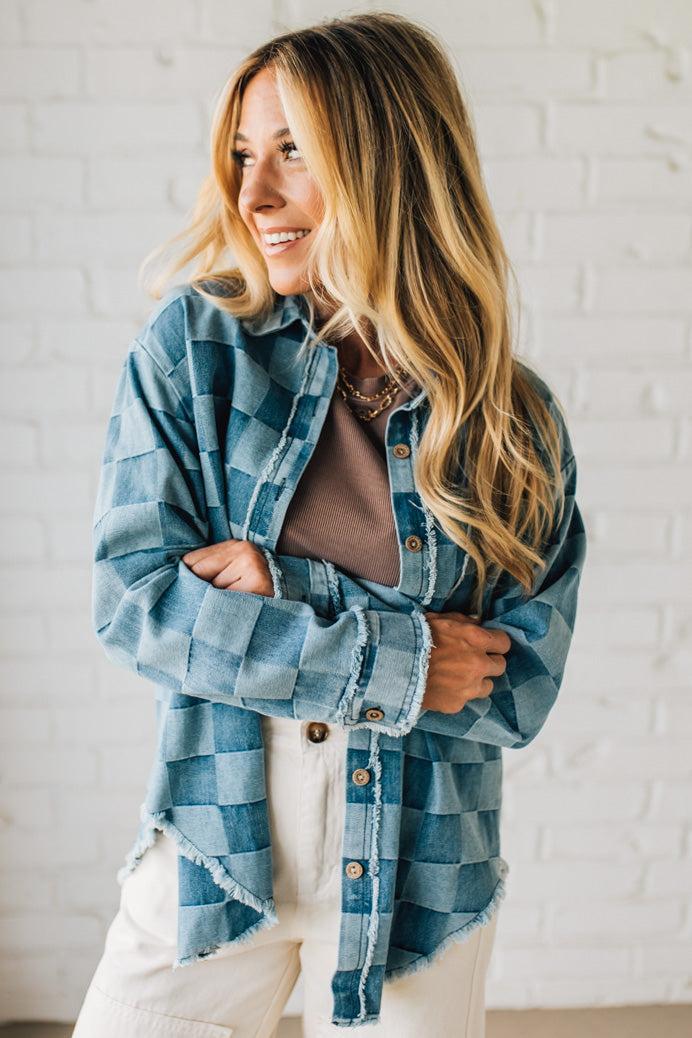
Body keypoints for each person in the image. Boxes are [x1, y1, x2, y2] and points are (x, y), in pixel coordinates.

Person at [71, 11, 587, 1038]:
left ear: (387, 160)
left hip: (421, 883)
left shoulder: (508, 419)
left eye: (292, 153)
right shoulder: (196, 354)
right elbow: (135, 603)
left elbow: (515, 687)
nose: (251, 196)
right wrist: (391, 657)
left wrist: (283, 591)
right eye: (240, 156)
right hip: (219, 854)